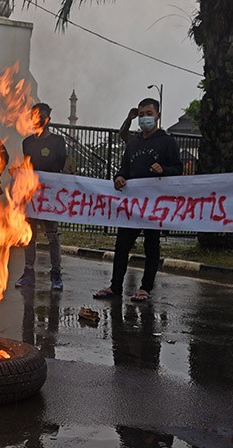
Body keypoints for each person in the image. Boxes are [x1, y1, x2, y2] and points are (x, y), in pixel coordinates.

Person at [93, 98, 182, 302]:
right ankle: (115, 286)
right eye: (141, 114)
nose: (144, 118)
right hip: (132, 206)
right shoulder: (133, 143)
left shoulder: (167, 142)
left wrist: (164, 170)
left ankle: (145, 288)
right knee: (122, 245)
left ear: (158, 116)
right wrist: (118, 178)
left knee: (151, 246)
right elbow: (124, 168)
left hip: (154, 205)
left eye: (149, 114)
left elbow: (177, 169)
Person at [15, 103, 67, 290]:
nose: (40, 119)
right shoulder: (27, 143)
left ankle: (56, 273)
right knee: (30, 235)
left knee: (53, 235)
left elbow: (61, 166)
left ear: (49, 119)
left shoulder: (58, 142)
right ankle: (28, 272)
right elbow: (27, 166)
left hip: (51, 197)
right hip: (32, 195)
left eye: (43, 116)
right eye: (36, 116)